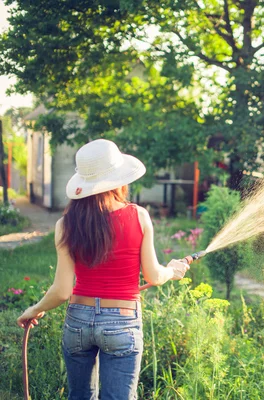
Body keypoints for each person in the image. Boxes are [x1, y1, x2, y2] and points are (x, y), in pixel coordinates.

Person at [17, 139, 190, 399]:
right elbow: (154, 276)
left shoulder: (65, 224)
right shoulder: (138, 215)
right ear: (118, 181)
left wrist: (34, 309)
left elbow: (62, 290)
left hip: (78, 322)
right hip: (122, 322)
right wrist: (173, 269)